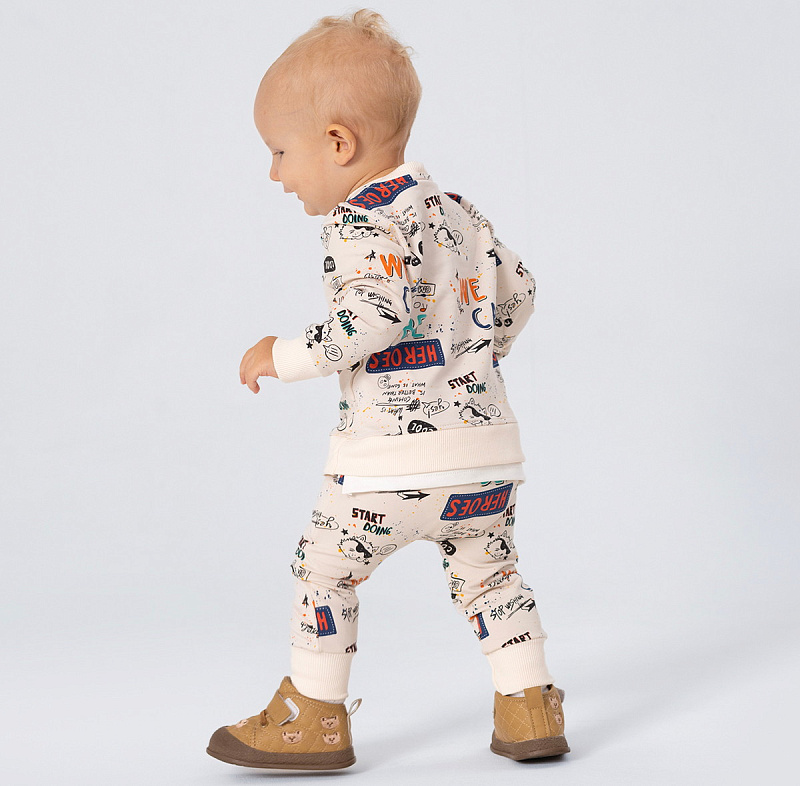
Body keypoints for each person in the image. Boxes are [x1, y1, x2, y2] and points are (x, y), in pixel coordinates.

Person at [206, 9, 568, 771]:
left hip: (388, 469)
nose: (275, 174)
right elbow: (521, 291)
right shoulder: (457, 212)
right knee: (492, 578)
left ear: (339, 143)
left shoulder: (360, 219)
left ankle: (313, 717)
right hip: (486, 460)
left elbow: (373, 313)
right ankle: (529, 706)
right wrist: (473, 357)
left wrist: (283, 354)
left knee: (325, 571)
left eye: (280, 152)